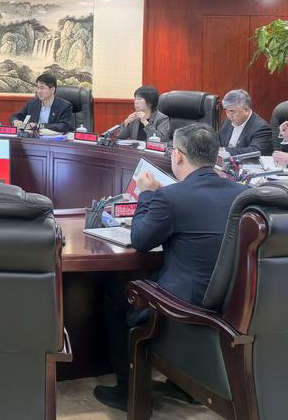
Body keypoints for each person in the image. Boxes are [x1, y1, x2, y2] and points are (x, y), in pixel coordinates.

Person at [95, 123, 246, 411]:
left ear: (177, 155)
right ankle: (186, 386)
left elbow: (141, 240)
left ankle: (127, 391)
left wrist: (147, 195)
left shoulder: (170, 197)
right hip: (231, 305)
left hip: (183, 307)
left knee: (117, 292)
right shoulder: (244, 193)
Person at [9, 73, 75, 133]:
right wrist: (15, 121)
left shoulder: (64, 106)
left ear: (52, 90)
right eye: (38, 88)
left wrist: (40, 126)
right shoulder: (32, 104)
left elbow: (65, 126)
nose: (38, 91)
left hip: (55, 140)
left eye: (42, 88)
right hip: (34, 139)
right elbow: (15, 116)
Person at [218, 89, 273, 155]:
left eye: (232, 111)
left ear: (246, 110)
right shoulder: (228, 121)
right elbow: (218, 141)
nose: (229, 116)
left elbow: (255, 151)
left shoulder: (261, 128)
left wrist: (224, 151)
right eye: (226, 111)